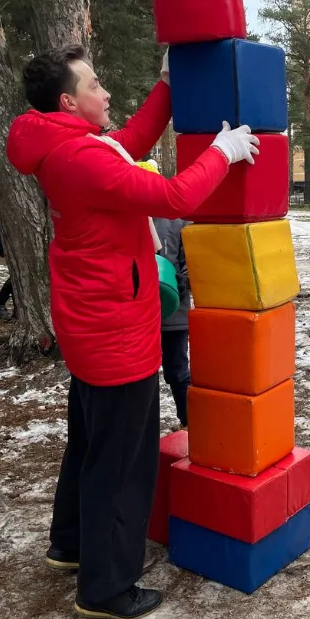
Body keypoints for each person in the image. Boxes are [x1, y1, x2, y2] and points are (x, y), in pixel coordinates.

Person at [6, 43, 259, 619]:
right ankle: (106, 589)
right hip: (116, 328)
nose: (107, 92)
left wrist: (168, 84)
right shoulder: (83, 159)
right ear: (69, 101)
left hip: (93, 322)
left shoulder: (71, 144)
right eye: (96, 85)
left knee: (92, 442)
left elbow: (133, 139)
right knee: (122, 462)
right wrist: (221, 153)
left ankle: (70, 544)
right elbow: (174, 196)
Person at [139, 160, 191, 428]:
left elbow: (193, 259)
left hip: (173, 314)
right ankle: (143, 430)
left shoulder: (178, 219)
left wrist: (182, 281)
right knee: (140, 377)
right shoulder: (128, 217)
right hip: (138, 316)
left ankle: (191, 423)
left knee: (177, 370)